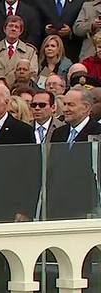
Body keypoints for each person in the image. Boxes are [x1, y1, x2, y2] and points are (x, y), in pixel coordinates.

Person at [0, 83, 37, 222]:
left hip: (10, 204)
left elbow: (30, 173)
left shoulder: (22, 131)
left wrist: (25, 209)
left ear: (6, 102)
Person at [47, 86, 101, 220]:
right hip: (57, 207)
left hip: (87, 207)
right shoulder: (59, 133)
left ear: (86, 108)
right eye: (64, 104)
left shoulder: (98, 132)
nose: (65, 109)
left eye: (70, 105)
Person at [0, 16, 38, 86]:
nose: (13, 29)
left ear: (20, 31)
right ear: (4, 29)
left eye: (17, 27)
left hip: (20, 92)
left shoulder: (30, 51)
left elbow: (33, 75)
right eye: (10, 26)